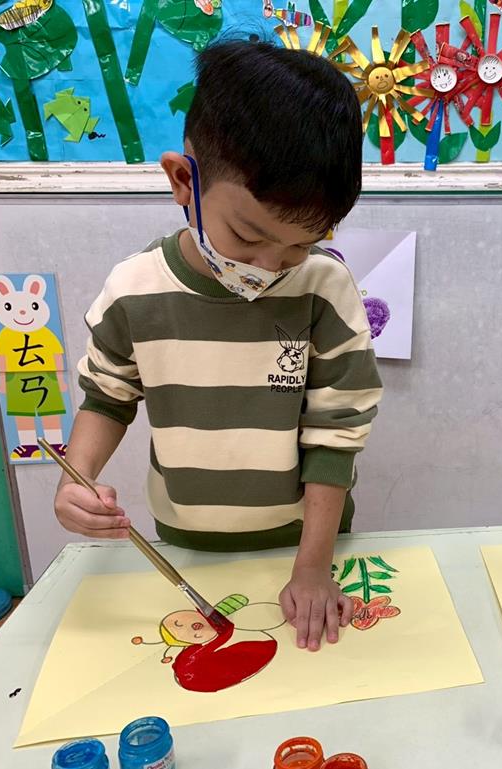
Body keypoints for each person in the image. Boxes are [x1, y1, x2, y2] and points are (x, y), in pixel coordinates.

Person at [53, 41, 382, 651]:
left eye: (298, 245)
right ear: (184, 179)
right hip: (185, 542)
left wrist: (313, 566)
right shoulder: (134, 289)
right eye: (247, 237)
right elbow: (107, 398)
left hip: (308, 544)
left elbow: (336, 434)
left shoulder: (324, 288)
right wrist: (77, 479)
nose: (268, 266)